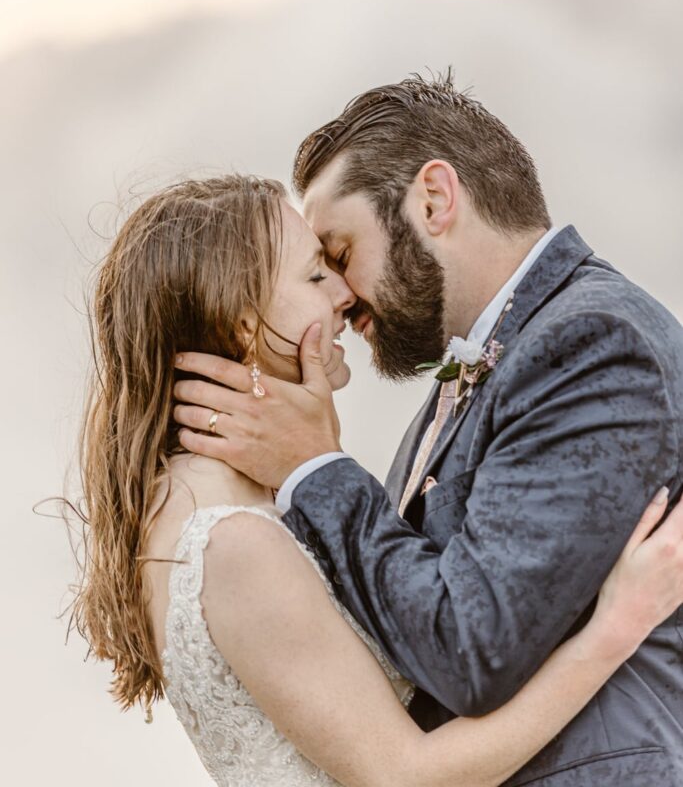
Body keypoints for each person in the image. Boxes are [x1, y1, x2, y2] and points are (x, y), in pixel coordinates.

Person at [71, 173, 683, 787]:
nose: (344, 292)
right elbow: (406, 776)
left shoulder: (221, 504)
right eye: (315, 275)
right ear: (243, 327)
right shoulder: (233, 541)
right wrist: (613, 630)